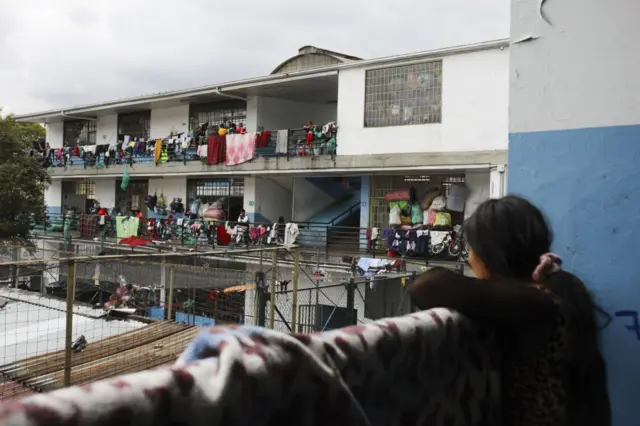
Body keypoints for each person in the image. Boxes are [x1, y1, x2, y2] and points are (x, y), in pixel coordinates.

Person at [409, 195, 610, 426]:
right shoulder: (560, 286)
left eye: (472, 250)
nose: (470, 259)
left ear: (491, 256)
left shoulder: (535, 301)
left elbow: (425, 287)